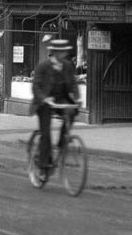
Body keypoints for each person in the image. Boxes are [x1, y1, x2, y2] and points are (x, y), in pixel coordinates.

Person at [30, 38, 79, 169]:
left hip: (60, 100)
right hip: (44, 102)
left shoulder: (68, 66)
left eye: (65, 52)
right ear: (55, 52)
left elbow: (73, 84)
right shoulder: (43, 66)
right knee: (46, 134)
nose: (65, 54)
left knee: (72, 112)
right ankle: (43, 163)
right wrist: (44, 99)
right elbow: (36, 86)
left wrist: (77, 98)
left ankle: (61, 144)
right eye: (62, 52)